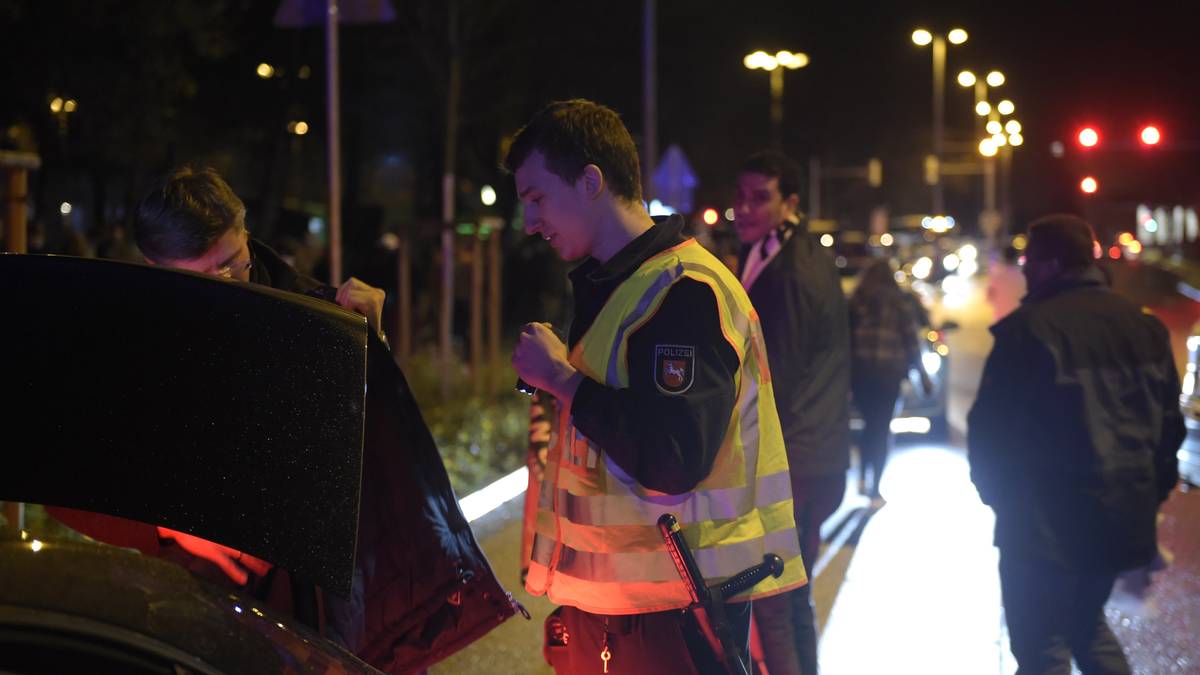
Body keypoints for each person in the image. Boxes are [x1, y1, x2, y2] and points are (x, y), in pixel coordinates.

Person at [50, 167, 519, 672]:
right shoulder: (135, 344)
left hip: (322, 606)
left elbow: (367, 461)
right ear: (155, 267)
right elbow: (77, 470)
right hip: (200, 603)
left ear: (246, 232)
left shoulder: (312, 315)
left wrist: (369, 353)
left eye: (233, 264)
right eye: (202, 278)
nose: (226, 286)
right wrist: (169, 533)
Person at [508, 99, 807, 674]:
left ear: (590, 181)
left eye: (537, 198)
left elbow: (673, 457)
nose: (529, 221)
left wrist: (563, 380)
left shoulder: (683, 291)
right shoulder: (625, 286)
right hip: (632, 612)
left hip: (676, 614)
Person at [968, 214, 1184, 675]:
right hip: (1120, 518)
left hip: (1042, 525)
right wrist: (1147, 495)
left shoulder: (1028, 330)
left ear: (1049, 265)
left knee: (1042, 646)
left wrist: (1003, 502)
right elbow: (1169, 427)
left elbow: (989, 433)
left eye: (1028, 261)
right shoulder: (1143, 327)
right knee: (1087, 627)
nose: (1024, 270)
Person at [733, 150, 850, 675]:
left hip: (794, 461)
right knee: (791, 598)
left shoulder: (792, 271)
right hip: (810, 457)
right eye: (741, 196)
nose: (744, 208)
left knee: (775, 603)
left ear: (790, 203)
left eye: (760, 198)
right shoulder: (785, 256)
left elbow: (776, 373)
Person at [848, 259, 931, 508]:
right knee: (881, 429)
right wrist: (923, 376)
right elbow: (912, 342)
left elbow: (846, 339)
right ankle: (875, 490)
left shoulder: (856, 302)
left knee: (868, 426)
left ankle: (862, 477)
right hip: (888, 376)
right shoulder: (899, 303)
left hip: (861, 375)